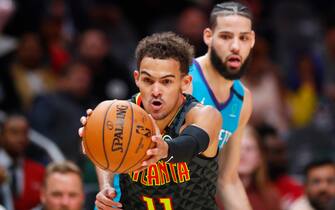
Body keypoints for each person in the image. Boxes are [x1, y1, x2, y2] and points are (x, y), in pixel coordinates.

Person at [79, 32, 222, 209]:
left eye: (166, 82)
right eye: (148, 80)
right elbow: (106, 153)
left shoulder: (204, 115)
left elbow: (192, 142)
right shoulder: (120, 114)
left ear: (185, 82)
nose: (156, 90)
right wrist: (106, 184)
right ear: (137, 79)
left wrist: (166, 149)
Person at [187, 1, 254, 209]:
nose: (235, 46)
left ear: (251, 40)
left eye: (243, 38)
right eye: (226, 36)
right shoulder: (181, 79)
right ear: (208, 36)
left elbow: (228, 180)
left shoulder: (243, 99)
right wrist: (107, 186)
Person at [0, 113, 45, 210]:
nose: (20, 138)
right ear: (2, 136)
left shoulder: (39, 171)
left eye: (24, 132)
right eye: (14, 132)